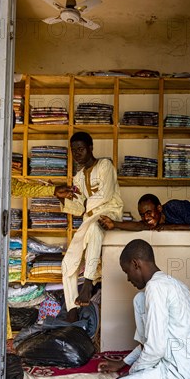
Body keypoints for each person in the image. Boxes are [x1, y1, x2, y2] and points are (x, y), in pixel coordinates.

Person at [93, 239, 190, 379]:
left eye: (127, 272)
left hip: (174, 376)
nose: (128, 278)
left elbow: (155, 348)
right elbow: (149, 341)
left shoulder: (156, 287)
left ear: (135, 264)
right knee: (139, 299)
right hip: (189, 374)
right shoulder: (175, 285)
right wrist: (123, 362)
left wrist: (131, 373)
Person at [55, 132, 123, 320]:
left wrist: (85, 205)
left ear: (91, 148)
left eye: (81, 149)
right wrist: (61, 198)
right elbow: (78, 208)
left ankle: (88, 283)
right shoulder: (77, 177)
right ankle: (71, 309)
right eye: (73, 150)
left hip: (109, 213)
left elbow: (106, 194)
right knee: (67, 262)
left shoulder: (105, 165)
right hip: (89, 218)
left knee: (94, 228)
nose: (77, 153)